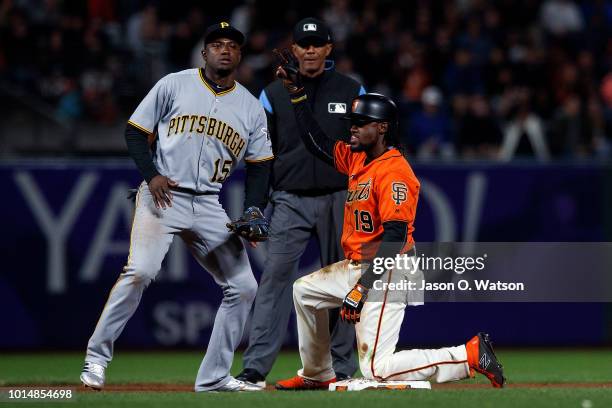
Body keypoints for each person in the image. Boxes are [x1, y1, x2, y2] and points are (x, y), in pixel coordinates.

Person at [272, 55, 506, 389]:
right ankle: (317, 374)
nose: (352, 126)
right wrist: (297, 94)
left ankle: (468, 355)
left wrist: (362, 288)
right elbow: (317, 143)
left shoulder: (394, 172)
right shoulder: (358, 158)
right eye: (352, 121)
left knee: (376, 370)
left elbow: (395, 238)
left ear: (381, 128)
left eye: (361, 122)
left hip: (389, 271)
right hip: (360, 265)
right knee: (304, 291)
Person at [79, 22, 273, 393]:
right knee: (140, 271)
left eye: (232, 45)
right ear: (204, 53)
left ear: (240, 54)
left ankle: (215, 377)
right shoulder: (174, 84)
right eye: (216, 45)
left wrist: (253, 209)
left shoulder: (249, 106)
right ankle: (96, 359)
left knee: (244, 286)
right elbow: (136, 131)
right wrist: (150, 174)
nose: (224, 50)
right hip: (163, 195)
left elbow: (261, 165)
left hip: (209, 203)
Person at [236, 17, 365, 386]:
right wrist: (256, 206)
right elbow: (262, 156)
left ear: (328, 49)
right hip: (289, 198)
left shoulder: (351, 88)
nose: (309, 50)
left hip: (342, 197)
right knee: (274, 281)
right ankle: (255, 368)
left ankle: (340, 370)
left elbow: (368, 147)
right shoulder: (273, 93)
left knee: (343, 282)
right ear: (293, 49)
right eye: (303, 44)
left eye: (316, 44)